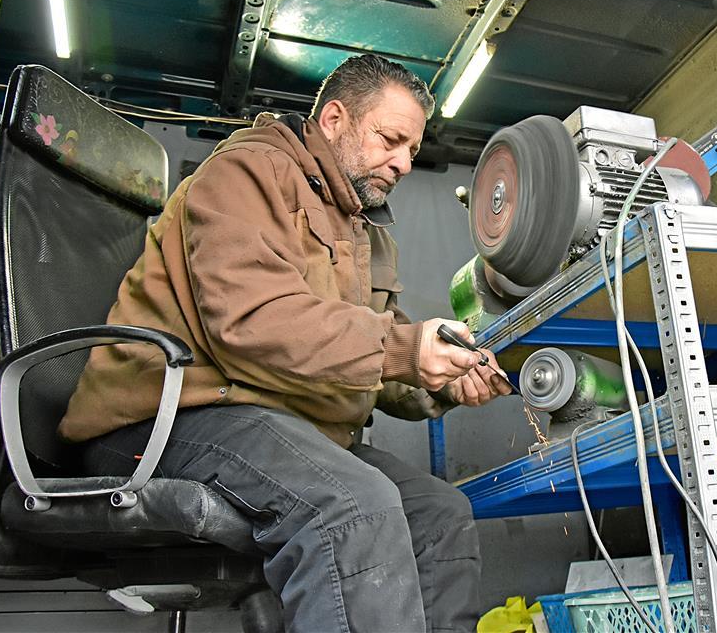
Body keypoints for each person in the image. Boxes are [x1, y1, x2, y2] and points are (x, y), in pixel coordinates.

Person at [57, 53, 513, 632]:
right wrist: (403, 350)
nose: (403, 163)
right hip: (170, 418)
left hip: (283, 426)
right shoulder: (247, 173)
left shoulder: (367, 232)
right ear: (335, 119)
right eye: (391, 140)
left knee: (441, 514)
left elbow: (375, 354)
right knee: (354, 504)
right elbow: (250, 322)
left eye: (412, 150)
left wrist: (442, 377)